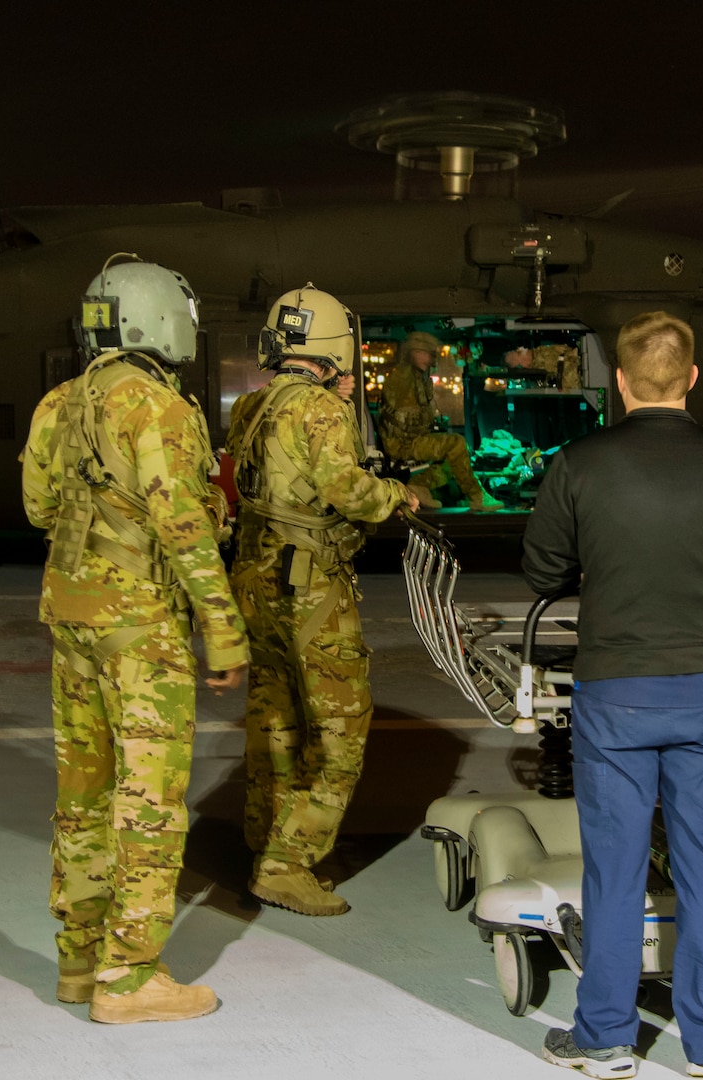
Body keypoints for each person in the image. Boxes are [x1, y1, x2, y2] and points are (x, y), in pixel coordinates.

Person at [523, 311, 703, 1079]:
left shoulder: (579, 463)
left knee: (613, 869)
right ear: (694, 378)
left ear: (619, 381)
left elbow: (544, 573)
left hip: (615, 690)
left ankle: (607, 1037)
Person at [21, 255, 248, 1023]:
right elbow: (186, 530)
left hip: (72, 616)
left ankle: (80, 963)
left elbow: (36, 507)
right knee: (149, 800)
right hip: (140, 630)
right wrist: (222, 631)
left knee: (81, 795)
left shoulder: (58, 401)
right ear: (159, 319)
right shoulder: (161, 408)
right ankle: (130, 977)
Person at [227, 284, 417, 917]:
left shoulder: (250, 407)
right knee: (341, 728)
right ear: (334, 347)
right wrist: (394, 496)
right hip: (309, 587)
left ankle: (263, 838)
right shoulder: (322, 409)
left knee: (273, 718)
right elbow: (348, 492)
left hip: (255, 580)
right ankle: (288, 862)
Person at [377, 329, 499, 510]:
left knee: (455, 456)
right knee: (456, 443)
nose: (433, 361)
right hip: (402, 442)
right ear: (416, 352)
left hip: (407, 438)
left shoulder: (415, 376)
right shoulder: (403, 378)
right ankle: (476, 496)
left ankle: (419, 485)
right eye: (429, 355)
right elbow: (403, 416)